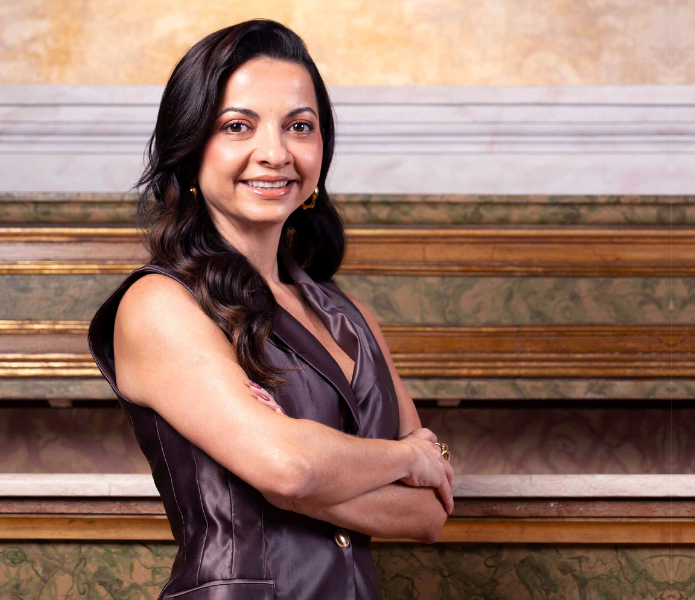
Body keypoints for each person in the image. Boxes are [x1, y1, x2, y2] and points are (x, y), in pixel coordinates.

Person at [87, 19, 453, 600]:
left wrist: (308, 466)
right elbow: (289, 470)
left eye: (299, 126)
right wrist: (406, 456)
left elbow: (429, 512)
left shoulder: (351, 316)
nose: (275, 153)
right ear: (190, 148)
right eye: (238, 126)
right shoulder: (159, 303)